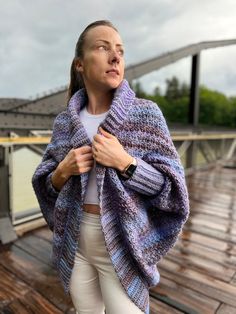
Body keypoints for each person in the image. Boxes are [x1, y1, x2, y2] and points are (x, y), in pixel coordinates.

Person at [32, 20, 189, 314]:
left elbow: (173, 191)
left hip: (123, 242)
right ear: (80, 64)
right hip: (75, 242)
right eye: (103, 48)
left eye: (120, 50)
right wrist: (61, 172)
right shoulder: (65, 123)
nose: (115, 57)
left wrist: (126, 163)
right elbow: (44, 186)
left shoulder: (145, 114)